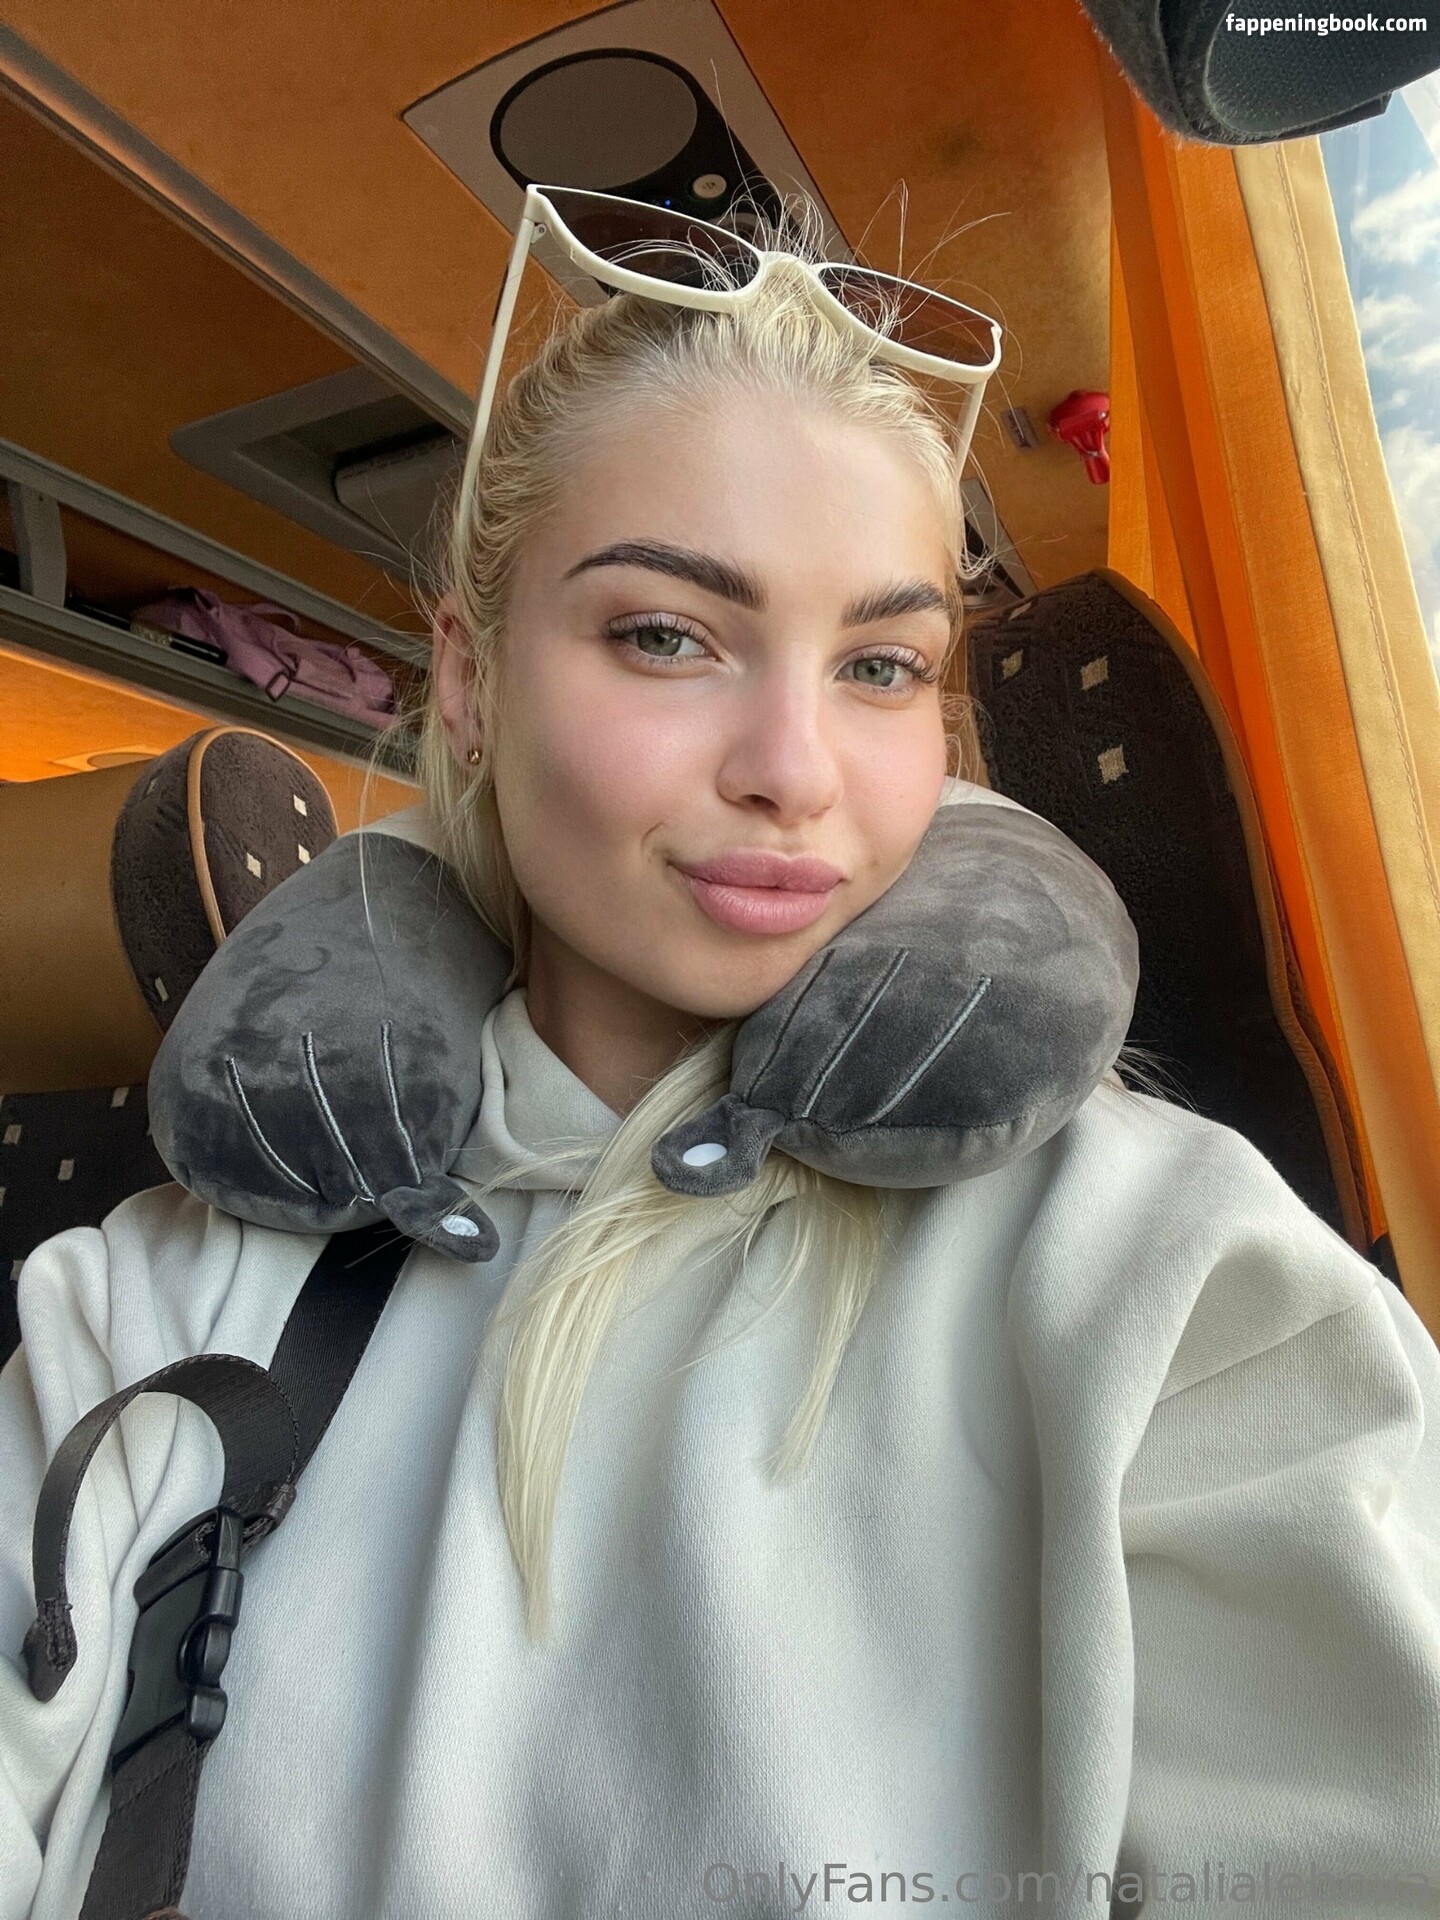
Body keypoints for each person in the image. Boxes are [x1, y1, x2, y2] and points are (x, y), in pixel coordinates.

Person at [2, 202, 1438, 1920]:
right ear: (469, 680)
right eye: (667, 635)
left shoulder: (1159, 1275)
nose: (793, 767)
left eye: (881, 666)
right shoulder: (149, 1300)